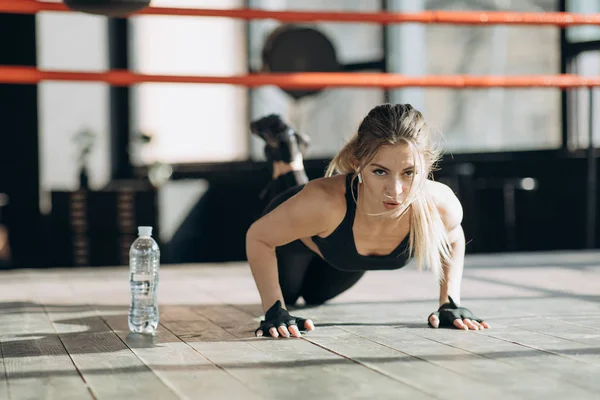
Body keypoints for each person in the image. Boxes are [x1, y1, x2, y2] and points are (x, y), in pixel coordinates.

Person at [246, 104, 489, 339]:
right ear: (357, 164)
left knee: (315, 296)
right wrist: (274, 309)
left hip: (342, 255)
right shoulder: (324, 202)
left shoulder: (441, 205)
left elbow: (455, 238)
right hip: (301, 236)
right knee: (288, 295)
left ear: (427, 167)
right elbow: (258, 237)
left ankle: (289, 152)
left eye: (409, 172)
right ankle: (287, 152)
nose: (395, 191)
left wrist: (450, 302)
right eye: (380, 171)